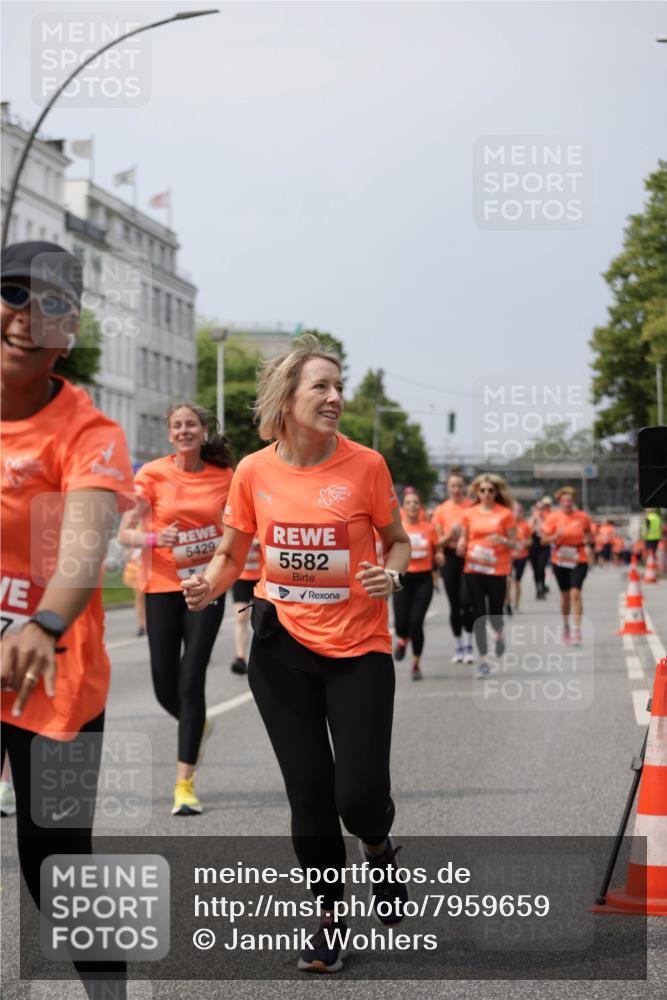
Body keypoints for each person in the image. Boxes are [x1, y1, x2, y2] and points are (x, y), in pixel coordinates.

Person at [182, 334, 411, 974]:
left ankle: (379, 844)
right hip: (281, 646)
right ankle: (329, 919)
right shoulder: (254, 471)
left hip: (358, 648)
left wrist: (391, 576)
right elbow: (232, 553)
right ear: (287, 398)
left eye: (340, 387)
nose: (336, 398)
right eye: (322, 387)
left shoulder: (366, 466)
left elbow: (399, 542)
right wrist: (208, 584)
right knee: (309, 794)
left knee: (358, 795)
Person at [1, 241, 133, 997]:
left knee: (55, 864)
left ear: (70, 331)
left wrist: (42, 626)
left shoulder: (89, 434)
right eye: (13, 292)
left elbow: (81, 551)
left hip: (59, 678)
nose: (28, 315)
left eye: (52, 303)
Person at [118, 402, 233, 816]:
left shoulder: (226, 478)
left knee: (190, 679)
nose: (184, 431)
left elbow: (241, 530)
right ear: (170, 434)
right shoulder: (151, 474)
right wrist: (156, 540)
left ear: (203, 432)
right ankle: (197, 723)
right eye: (177, 425)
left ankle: (184, 784)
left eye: (192, 425)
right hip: (162, 585)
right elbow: (126, 534)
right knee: (164, 686)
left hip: (206, 586)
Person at [457, 474, 516, 676]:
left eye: (491, 490)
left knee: (494, 614)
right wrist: (461, 545)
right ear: (477, 493)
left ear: (496, 493)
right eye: (483, 490)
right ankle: (483, 660)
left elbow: (515, 544)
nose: (487, 494)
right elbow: (464, 540)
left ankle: (499, 635)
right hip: (474, 569)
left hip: (497, 570)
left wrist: (502, 539)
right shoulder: (469, 514)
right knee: (479, 614)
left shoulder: (505, 514)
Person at [393, 490, 439, 680]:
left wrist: (440, 556)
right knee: (401, 623)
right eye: (409, 503)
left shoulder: (428, 528)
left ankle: (415, 665)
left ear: (420, 507)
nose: (412, 505)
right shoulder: (397, 528)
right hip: (402, 578)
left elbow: (436, 549)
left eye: (416, 502)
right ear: (403, 507)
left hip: (424, 579)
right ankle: (402, 639)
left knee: (416, 623)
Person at [540, 486, 593, 646]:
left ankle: (577, 630)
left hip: (578, 558)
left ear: (573, 501)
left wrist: (587, 541)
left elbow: (589, 533)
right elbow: (543, 540)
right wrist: (556, 535)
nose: (567, 503)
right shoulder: (553, 518)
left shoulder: (582, 517)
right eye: (564, 500)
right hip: (560, 559)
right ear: (560, 502)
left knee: (575, 593)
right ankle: (566, 626)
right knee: (564, 595)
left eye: (570, 500)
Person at [432, 470, 474, 663]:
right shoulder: (441, 510)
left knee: (468, 602)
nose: (457, 489)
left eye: (459, 485)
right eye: (453, 486)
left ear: (464, 487)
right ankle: (458, 646)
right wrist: (451, 535)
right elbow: (437, 541)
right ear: (447, 488)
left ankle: (469, 643)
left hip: (468, 557)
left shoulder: (472, 507)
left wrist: (465, 540)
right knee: (455, 604)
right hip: (450, 557)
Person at [230, 534, 263, 675]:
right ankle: (240, 658)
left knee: (262, 620)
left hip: (261, 577)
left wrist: (258, 543)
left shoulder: (263, 521)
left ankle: (263, 659)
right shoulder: (238, 525)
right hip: (241, 578)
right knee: (241, 617)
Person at [508, 502, 532, 614]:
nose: (517, 514)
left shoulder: (525, 525)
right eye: (515, 512)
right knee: (507, 581)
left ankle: (516, 605)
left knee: (517, 582)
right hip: (508, 557)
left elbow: (530, 541)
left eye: (519, 512)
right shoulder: (507, 524)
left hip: (521, 556)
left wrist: (524, 543)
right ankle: (507, 602)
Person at [528, 498, 551, 599]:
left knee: (541, 568)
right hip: (533, 546)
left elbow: (550, 530)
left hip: (544, 546)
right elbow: (527, 531)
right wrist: (534, 522)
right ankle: (538, 588)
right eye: (538, 508)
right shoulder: (532, 519)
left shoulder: (548, 518)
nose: (540, 510)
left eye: (542, 508)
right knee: (535, 570)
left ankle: (542, 586)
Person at [121, 546, 146, 636]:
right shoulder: (132, 535)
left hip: (151, 566)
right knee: (139, 598)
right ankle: (141, 625)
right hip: (137, 567)